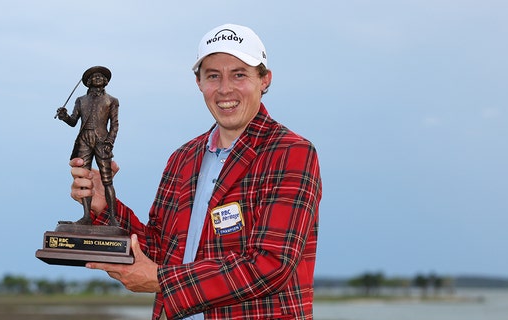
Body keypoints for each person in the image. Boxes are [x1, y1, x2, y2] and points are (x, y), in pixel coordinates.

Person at [69, 23, 322, 319]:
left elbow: (271, 264)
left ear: (264, 80)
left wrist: (161, 280)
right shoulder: (183, 158)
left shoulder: (291, 152)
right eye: (213, 75)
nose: (225, 88)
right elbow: (161, 251)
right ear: (199, 82)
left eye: (239, 74)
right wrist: (103, 206)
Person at [57, 66, 120, 225]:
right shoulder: (80, 100)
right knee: (83, 177)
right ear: (88, 82)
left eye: (101, 76)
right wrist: (64, 117)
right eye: (94, 76)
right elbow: (73, 121)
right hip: (84, 139)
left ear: (105, 81)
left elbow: (115, 125)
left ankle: (113, 218)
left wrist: (110, 142)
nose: (98, 78)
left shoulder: (111, 100)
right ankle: (86, 216)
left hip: (102, 141)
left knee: (107, 180)